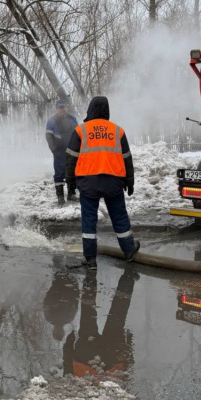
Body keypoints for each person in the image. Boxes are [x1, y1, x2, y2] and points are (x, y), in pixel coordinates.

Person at [66, 96, 140, 270]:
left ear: (90, 110)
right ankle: (129, 251)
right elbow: (127, 159)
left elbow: (70, 159)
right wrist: (130, 181)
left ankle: (90, 260)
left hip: (87, 182)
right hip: (114, 182)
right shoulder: (117, 131)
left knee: (89, 221)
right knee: (119, 217)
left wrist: (70, 183)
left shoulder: (80, 130)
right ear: (107, 110)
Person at [46, 99, 79, 204]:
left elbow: (78, 134)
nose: (62, 110)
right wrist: (54, 149)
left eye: (63, 107)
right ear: (56, 109)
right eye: (60, 108)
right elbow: (48, 136)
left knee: (72, 172)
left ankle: (71, 194)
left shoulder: (72, 119)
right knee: (59, 173)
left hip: (72, 151)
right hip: (59, 152)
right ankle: (60, 196)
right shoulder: (51, 121)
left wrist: (78, 147)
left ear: (66, 108)